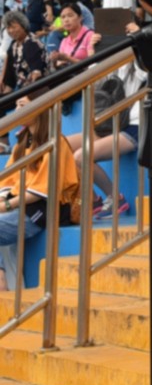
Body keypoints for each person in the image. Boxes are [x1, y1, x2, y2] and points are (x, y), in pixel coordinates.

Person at [0, 93, 79, 291]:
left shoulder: (56, 142)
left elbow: (43, 190)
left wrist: (6, 205)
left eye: (22, 105)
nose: (17, 111)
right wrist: (3, 200)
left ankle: (1, 282)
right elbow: (8, 181)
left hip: (44, 209)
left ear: (40, 108)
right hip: (21, 205)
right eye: (16, 106)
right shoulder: (22, 143)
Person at [65, 60, 145, 219]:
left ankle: (115, 198)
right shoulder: (109, 60)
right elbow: (92, 77)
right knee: (62, 146)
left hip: (135, 126)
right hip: (110, 124)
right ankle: (93, 200)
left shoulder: (135, 62)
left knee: (81, 157)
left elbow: (145, 72)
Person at [0, 11, 48, 154]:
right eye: (8, 28)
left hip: (38, 89)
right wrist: (5, 95)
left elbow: (36, 73)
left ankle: (10, 139)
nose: (11, 31)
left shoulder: (31, 43)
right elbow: (9, 78)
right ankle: (4, 141)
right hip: (22, 91)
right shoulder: (14, 46)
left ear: (23, 26)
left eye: (14, 26)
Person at [49, 3, 100, 71]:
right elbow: (60, 66)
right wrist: (55, 61)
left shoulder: (90, 36)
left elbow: (92, 66)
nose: (66, 20)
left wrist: (68, 58)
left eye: (70, 15)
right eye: (63, 17)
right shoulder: (64, 41)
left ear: (80, 17)